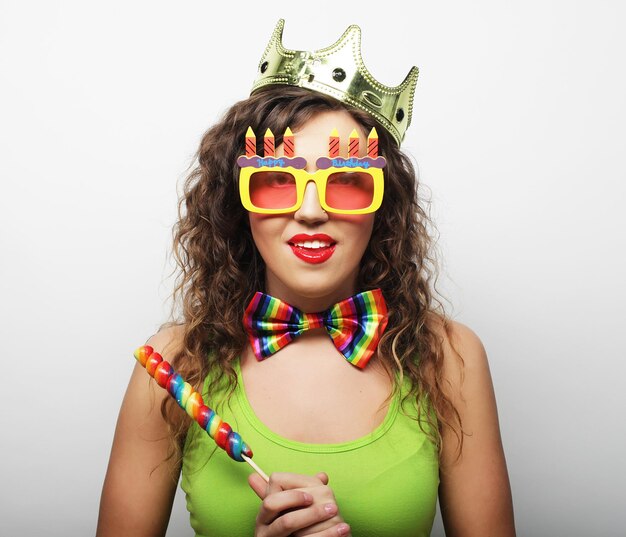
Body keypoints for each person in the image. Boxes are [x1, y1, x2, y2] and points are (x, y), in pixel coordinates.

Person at [97, 20, 515, 537]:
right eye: (276, 182)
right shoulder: (171, 369)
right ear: (237, 205)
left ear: (383, 207)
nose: (312, 211)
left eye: (345, 183)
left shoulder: (450, 357)